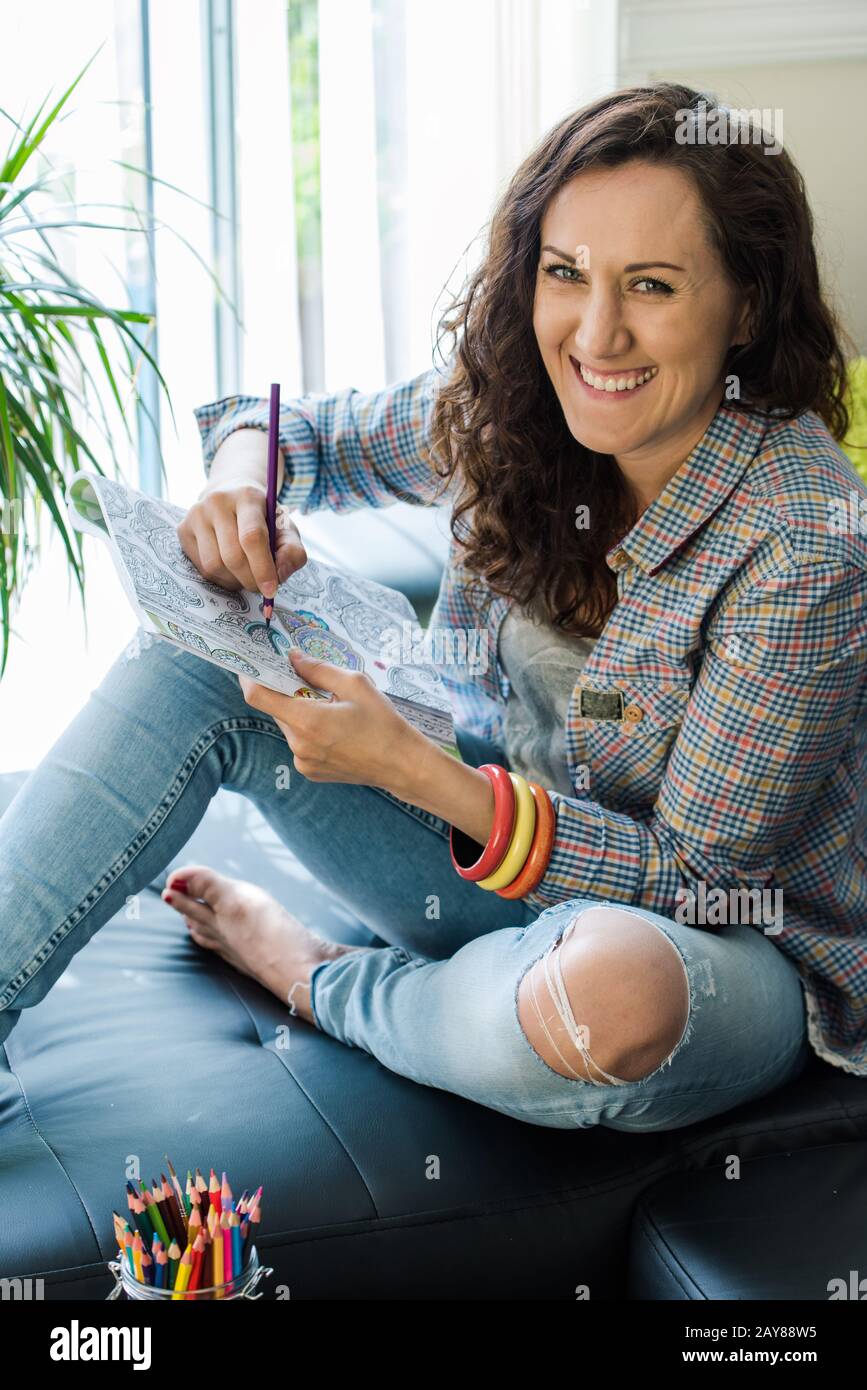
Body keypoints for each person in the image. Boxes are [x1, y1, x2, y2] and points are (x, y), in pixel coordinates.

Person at [1, 83, 865, 1132]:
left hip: (727, 951)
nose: (597, 333)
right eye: (565, 274)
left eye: (651, 286)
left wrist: (414, 772)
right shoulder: (518, 401)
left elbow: (697, 876)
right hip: (507, 867)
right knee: (197, 654)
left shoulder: (806, 534)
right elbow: (287, 429)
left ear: (746, 303)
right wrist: (241, 483)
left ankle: (316, 976)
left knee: (611, 994)